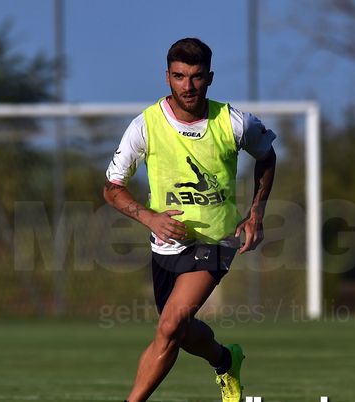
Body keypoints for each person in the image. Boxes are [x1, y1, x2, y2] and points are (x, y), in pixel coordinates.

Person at [103, 37, 276, 402]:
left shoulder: (234, 122)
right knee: (178, 331)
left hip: (217, 241)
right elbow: (112, 188)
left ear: (209, 77)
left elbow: (267, 155)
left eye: (196, 77)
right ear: (167, 77)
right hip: (166, 245)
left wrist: (256, 211)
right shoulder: (145, 125)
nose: (188, 86)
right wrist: (150, 218)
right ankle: (226, 360)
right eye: (180, 76)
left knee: (168, 326)